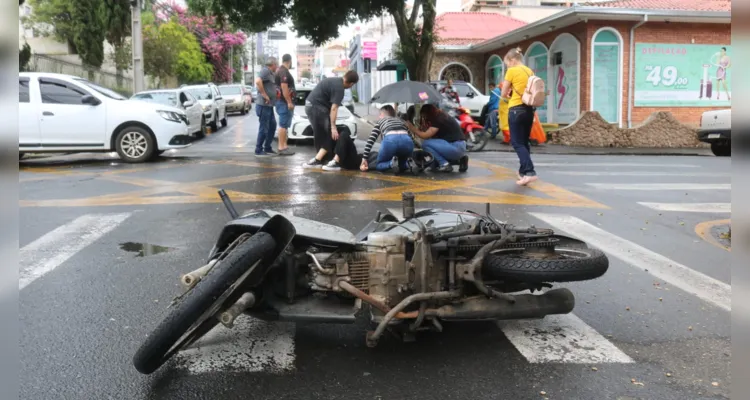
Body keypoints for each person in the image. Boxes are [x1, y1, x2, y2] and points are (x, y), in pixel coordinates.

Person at [302, 70, 360, 168]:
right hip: (317, 108)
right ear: (351, 83)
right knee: (327, 133)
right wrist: (333, 126)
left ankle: (321, 159)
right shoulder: (340, 88)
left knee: (322, 134)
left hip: (311, 106)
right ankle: (319, 160)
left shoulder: (335, 81)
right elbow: (334, 108)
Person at [501, 47, 537, 186]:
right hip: (529, 109)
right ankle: (523, 173)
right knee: (524, 141)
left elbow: (504, 93)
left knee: (517, 142)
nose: (507, 66)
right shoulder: (529, 71)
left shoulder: (512, 71)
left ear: (513, 60)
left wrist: (508, 94)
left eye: (507, 63)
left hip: (516, 109)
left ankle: (530, 172)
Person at [405, 104, 468, 173]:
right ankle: (460, 160)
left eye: (424, 115)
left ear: (428, 113)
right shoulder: (441, 115)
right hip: (458, 147)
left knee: (426, 144)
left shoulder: (438, 119)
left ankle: (445, 164)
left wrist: (412, 128)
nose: (424, 117)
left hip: (455, 146)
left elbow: (425, 136)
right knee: (433, 164)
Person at [355, 105, 413, 173]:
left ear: (382, 114)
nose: (379, 117)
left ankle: (391, 163)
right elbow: (411, 138)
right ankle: (406, 164)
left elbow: (371, 141)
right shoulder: (401, 121)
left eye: (380, 114)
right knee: (402, 165)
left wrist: (364, 159)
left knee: (379, 165)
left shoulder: (380, 122)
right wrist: (410, 155)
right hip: (407, 142)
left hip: (390, 141)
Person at [254, 57, 278, 157]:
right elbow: (258, 81)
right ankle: (258, 149)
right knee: (264, 128)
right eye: (276, 64)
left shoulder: (271, 73)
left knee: (272, 126)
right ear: (272, 64)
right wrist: (264, 94)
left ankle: (267, 147)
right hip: (263, 105)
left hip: (269, 105)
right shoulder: (265, 70)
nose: (277, 66)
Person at [273, 54, 296, 156]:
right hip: (283, 102)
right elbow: (284, 87)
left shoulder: (280, 70)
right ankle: (281, 147)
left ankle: (284, 146)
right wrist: (289, 102)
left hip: (282, 101)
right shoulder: (283, 71)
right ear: (289, 61)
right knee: (282, 125)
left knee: (285, 125)